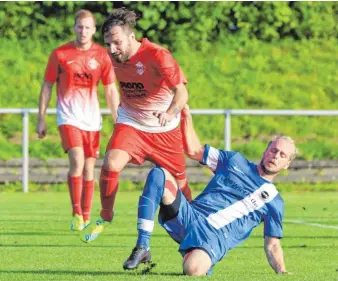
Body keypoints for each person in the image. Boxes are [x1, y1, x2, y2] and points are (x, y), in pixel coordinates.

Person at [122, 105, 297, 276]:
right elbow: (194, 151)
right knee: (158, 174)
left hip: (214, 236)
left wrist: (282, 271)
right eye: (274, 150)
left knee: (193, 269)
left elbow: (272, 244)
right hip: (189, 215)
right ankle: (143, 246)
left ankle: (200, 254)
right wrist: (186, 116)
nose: (276, 156)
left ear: (287, 164)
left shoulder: (274, 201)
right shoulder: (234, 160)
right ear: (266, 150)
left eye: (283, 155)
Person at [81, 7, 193, 243]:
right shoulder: (110, 57)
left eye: (117, 43)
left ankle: (195, 228)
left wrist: (169, 111)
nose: (112, 49)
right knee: (111, 163)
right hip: (132, 123)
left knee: (181, 186)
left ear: (132, 37)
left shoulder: (158, 55)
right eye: (108, 44)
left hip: (164, 129)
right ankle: (105, 216)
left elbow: (181, 93)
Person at [36, 9, 119, 231]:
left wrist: (117, 119)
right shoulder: (60, 54)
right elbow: (47, 86)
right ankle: (75, 213)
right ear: (74, 28)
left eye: (88, 27)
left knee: (90, 169)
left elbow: (110, 89)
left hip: (92, 120)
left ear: (94, 30)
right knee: (78, 161)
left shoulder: (102, 55)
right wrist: (41, 118)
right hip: (68, 117)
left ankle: (85, 215)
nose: (83, 31)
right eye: (80, 27)